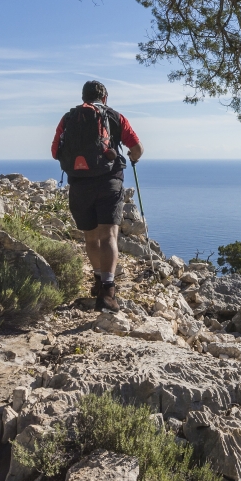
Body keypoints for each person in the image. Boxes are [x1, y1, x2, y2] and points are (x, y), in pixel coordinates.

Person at [51, 80, 143, 311]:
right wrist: (133, 157)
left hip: (79, 184)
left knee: (91, 237)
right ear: (105, 98)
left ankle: (96, 279)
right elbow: (137, 148)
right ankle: (108, 291)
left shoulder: (68, 118)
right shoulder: (115, 117)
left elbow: (55, 153)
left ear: (83, 97)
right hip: (108, 181)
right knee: (109, 236)